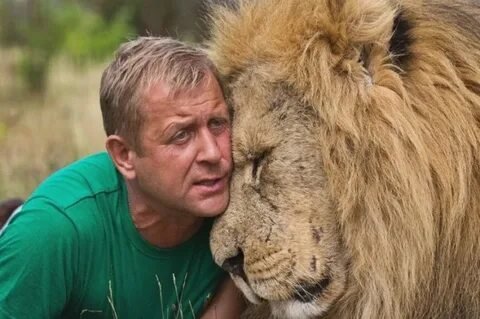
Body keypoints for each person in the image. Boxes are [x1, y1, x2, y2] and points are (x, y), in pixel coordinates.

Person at [0, 36, 245, 318]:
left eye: (217, 124)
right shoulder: (53, 230)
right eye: (181, 135)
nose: (213, 153)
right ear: (124, 156)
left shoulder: (245, 200)